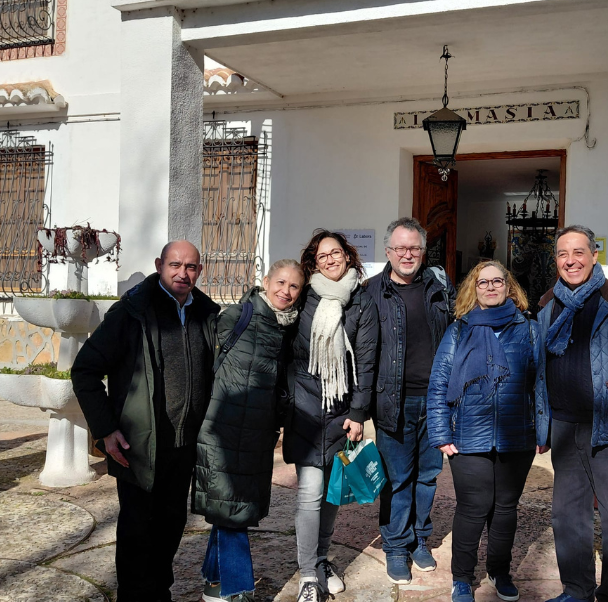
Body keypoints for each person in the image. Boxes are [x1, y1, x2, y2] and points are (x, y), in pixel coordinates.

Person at [72, 241, 220, 602]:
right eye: (175, 265)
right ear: (159, 265)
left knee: (171, 526)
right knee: (138, 531)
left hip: (185, 445)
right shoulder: (132, 312)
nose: (182, 273)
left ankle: (159, 593)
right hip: (138, 444)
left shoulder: (206, 313)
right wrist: (105, 430)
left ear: (199, 271)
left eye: (190, 267)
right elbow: (85, 370)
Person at [427, 260, 549, 602]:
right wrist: (440, 433)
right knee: (473, 507)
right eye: (483, 282)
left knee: (506, 507)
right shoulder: (458, 330)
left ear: (509, 287)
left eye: (498, 281)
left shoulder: (528, 329)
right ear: (474, 288)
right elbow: (439, 384)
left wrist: (543, 431)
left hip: (517, 435)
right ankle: (462, 578)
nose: (491, 287)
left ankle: (499, 570)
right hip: (468, 435)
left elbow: (540, 383)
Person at [193, 259, 306, 602]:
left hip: (256, 435)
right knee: (233, 512)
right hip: (223, 431)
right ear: (266, 281)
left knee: (230, 509)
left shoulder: (286, 328)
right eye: (281, 282)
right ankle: (238, 588)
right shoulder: (237, 316)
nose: (286, 291)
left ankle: (214, 583)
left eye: (294, 286)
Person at [538, 225, 608, 602]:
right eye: (563, 254)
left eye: (578, 252)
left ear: (594, 255)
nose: (570, 261)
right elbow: (539, 368)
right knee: (567, 515)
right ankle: (576, 589)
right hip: (564, 425)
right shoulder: (548, 304)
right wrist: (541, 426)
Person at [284, 229, 379, 602]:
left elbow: (366, 361)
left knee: (332, 494)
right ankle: (309, 574)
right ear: (314, 262)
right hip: (306, 410)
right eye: (322, 255)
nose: (330, 260)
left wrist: (358, 412)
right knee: (310, 492)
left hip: (341, 411)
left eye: (335, 252)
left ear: (347, 255)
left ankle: (322, 560)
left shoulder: (361, 301)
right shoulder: (303, 296)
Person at [365, 217, 455, 584]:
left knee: (428, 477)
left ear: (423, 251)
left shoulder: (440, 288)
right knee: (398, 479)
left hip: (435, 403)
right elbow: (363, 352)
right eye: (400, 248)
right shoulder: (372, 292)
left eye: (414, 248)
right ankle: (396, 546)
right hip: (393, 403)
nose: (407, 254)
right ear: (388, 251)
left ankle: (420, 540)